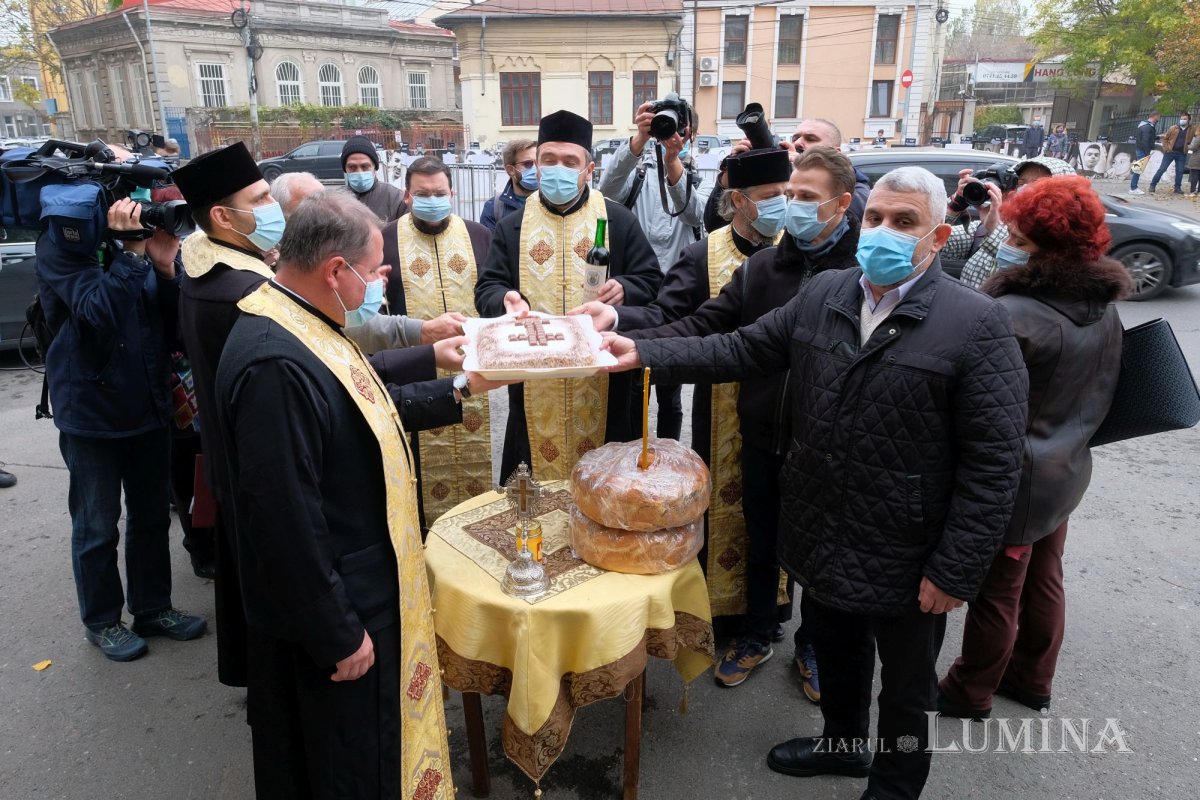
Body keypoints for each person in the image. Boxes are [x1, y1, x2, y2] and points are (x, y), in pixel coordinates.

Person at [603, 165, 1029, 799]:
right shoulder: (826, 293)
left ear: (938, 237)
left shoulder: (976, 324)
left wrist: (955, 569)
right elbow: (741, 348)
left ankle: (894, 786)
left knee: (907, 688)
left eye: (904, 222)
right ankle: (842, 746)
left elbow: (994, 465)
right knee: (839, 650)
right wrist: (643, 352)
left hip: (909, 546)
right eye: (877, 217)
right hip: (824, 524)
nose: (884, 231)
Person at [214, 190, 476, 800]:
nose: (381, 281)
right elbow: (282, 518)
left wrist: (462, 386)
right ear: (336, 271)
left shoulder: (303, 319)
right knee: (350, 762)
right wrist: (335, 632)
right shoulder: (275, 362)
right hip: (341, 616)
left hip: (364, 589)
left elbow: (364, 410)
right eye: (377, 270)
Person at [174, 142, 462, 687]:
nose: (275, 213)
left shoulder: (231, 278)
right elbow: (288, 500)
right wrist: (336, 627)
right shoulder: (263, 323)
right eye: (261, 197)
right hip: (328, 549)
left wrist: (457, 381)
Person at [575, 147, 799, 669]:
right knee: (732, 506)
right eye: (772, 198)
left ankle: (787, 625)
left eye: (789, 196)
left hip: (793, 411)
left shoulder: (800, 249)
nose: (784, 207)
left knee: (790, 520)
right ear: (739, 202)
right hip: (722, 404)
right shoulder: (705, 254)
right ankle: (731, 621)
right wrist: (618, 320)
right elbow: (672, 316)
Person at [938, 175, 1130, 719]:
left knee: (998, 591)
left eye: (1019, 241)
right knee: (1045, 577)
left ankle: (969, 690)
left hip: (1014, 479)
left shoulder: (1013, 315)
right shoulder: (1101, 305)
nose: (1007, 245)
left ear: (1051, 250)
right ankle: (1032, 679)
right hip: (1065, 469)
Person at [38, 195, 207, 663]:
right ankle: (102, 621)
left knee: (152, 516)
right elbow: (96, 315)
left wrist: (166, 268)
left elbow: (175, 331)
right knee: (96, 525)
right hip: (91, 413)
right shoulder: (61, 249)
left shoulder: (142, 250)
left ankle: (152, 608)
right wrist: (132, 255)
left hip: (149, 406)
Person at [474, 108, 663, 483]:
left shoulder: (617, 220)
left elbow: (652, 280)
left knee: (606, 490)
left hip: (602, 376)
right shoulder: (512, 226)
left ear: (588, 170)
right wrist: (506, 299)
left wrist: (626, 288)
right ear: (537, 166)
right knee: (531, 493)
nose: (557, 168)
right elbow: (487, 288)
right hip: (532, 379)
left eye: (569, 161)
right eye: (549, 160)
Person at [382, 156, 493, 527]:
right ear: (407, 195)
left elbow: (492, 295)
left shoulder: (479, 235)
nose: (432, 199)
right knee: (416, 463)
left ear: (453, 193)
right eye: (423, 193)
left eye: (439, 193)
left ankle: (475, 528)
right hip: (413, 370)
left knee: (475, 454)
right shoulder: (383, 239)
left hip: (470, 364)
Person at [598, 100, 706, 441]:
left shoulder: (695, 175)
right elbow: (607, 191)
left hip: (676, 303)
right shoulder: (640, 173)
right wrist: (639, 141)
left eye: (677, 127)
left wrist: (673, 161)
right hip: (637, 299)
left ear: (690, 134)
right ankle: (634, 453)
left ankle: (669, 456)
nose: (669, 133)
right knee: (634, 387)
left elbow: (694, 214)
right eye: (663, 125)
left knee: (671, 395)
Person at [703, 117, 871, 231]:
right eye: (795, 137)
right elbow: (715, 226)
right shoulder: (780, 181)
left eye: (811, 139)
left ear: (836, 152)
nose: (798, 143)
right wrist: (731, 175)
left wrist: (810, 173)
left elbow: (856, 212)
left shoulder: (858, 188)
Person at [943, 156, 1075, 290]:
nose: (1025, 190)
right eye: (1021, 183)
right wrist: (956, 205)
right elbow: (934, 240)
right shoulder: (982, 229)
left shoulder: (1060, 249)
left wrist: (994, 229)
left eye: (1037, 185)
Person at [342, 135, 408, 222]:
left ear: (375, 168)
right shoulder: (335, 201)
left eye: (365, 166)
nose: (359, 172)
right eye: (352, 167)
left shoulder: (395, 197)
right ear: (345, 169)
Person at [480, 138, 537, 231]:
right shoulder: (493, 208)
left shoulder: (553, 202)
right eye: (527, 164)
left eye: (538, 162)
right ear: (511, 170)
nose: (536, 169)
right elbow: (489, 244)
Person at [1148, 113, 1196, 194]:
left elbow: (1196, 137)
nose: (1182, 120)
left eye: (1185, 119)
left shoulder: (1191, 130)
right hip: (1170, 152)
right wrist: (1166, 148)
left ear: (1189, 120)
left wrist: (1188, 147)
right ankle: (1152, 185)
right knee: (1162, 169)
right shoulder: (1173, 128)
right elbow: (1165, 138)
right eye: (1182, 118)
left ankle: (1177, 188)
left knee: (1180, 171)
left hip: (1182, 153)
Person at [1129, 111, 1160, 194]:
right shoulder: (1148, 127)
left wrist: (1157, 137)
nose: (1159, 119)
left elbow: (1148, 137)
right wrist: (1147, 153)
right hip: (1143, 150)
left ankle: (1133, 187)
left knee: (1138, 169)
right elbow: (1145, 140)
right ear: (1155, 117)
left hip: (1140, 149)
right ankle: (1133, 188)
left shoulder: (1144, 125)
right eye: (1158, 117)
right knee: (1138, 169)